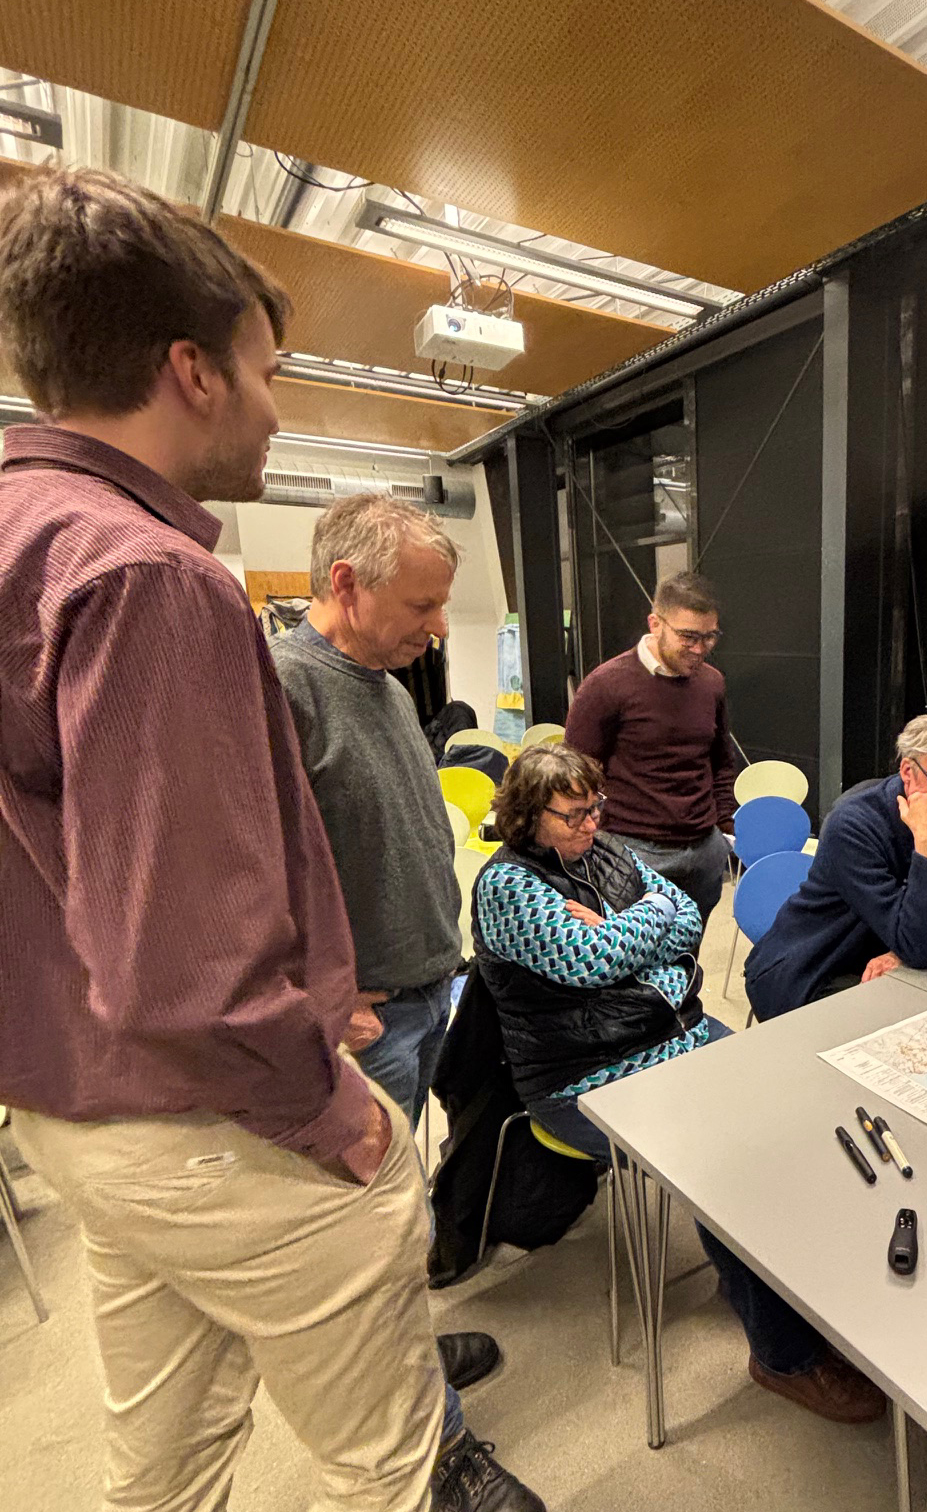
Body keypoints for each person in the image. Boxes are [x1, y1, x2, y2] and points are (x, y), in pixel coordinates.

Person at [0, 168, 541, 1512]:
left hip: (84, 1097)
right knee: (388, 1464)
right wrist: (319, 1100)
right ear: (191, 371)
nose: (275, 405)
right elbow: (182, 944)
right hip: (212, 1111)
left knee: (166, 1457)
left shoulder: (26, 534)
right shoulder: (149, 573)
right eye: (266, 370)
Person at [471, 745, 887, 1423]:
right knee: (722, 1161)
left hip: (671, 1032)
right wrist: (638, 929)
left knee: (792, 1108)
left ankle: (784, 1281)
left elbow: (689, 919)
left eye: (596, 807)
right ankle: (783, 1357)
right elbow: (593, 961)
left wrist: (625, 928)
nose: (591, 823)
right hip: (586, 1076)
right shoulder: (508, 887)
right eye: (573, 814)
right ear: (526, 815)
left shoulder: (604, 850)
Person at [270, 492, 513, 1485]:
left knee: (398, 1218)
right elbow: (248, 871)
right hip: (363, 1019)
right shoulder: (287, 686)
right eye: (422, 605)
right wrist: (320, 999)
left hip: (419, 993)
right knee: (361, 1245)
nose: (439, 628)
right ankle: (434, 1448)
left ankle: (411, 1359)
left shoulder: (380, 682)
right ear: (346, 583)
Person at [745, 708, 927, 1021]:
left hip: (888, 959)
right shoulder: (853, 824)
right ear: (908, 771)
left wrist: (911, 943)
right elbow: (918, 948)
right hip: (814, 970)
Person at [563, 570, 736, 931]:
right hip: (633, 850)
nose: (700, 648)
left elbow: (721, 761)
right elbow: (576, 772)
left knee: (688, 953)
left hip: (704, 848)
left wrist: (724, 826)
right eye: (688, 636)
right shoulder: (606, 685)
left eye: (709, 636)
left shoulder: (712, 682)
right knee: (634, 958)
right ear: (655, 623)